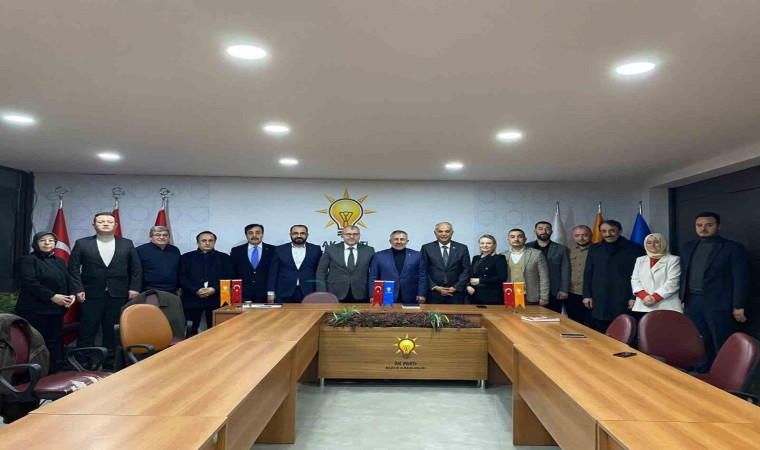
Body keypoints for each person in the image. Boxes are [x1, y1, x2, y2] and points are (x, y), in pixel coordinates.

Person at [680, 212, 749, 371]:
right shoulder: (688, 247)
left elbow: (740, 278)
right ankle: (703, 372)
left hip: (719, 303)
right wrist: (683, 298)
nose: (703, 228)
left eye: (709, 225)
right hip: (692, 302)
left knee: (721, 340)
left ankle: (726, 374)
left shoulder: (733, 248)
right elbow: (684, 274)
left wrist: (738, 305)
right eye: (699, 225)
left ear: (718, 226)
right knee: (699, 340)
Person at [69, 212, 142, 353]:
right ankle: (83, 361)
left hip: (118, 293)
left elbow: (136, 268)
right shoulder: (82, 243)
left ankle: (110, 361)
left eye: (109, 222)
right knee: (87, 329)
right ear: (94, 225)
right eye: (101, 221)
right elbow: (73, 268)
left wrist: (134, 288)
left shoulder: (127, 243)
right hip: (90, 294)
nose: (105, 224)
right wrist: (78, 289)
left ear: (115, 225)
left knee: (113, 330)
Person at [16, 232, 75, 373]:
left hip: (55, 310)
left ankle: (53, 373)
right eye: (43, 240)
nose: (47, 243)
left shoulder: (59, 260)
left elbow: (66, 280)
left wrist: (71, 294)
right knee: (36, 343)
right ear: (36, 243)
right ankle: (34, 375)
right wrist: (52, 296)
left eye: (51, 240)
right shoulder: (28, 260)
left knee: (55, 342)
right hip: (34, 310)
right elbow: (30, 282)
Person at [583, 220, 645, 332]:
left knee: (624, 330)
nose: (608, 234)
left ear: (620, 231)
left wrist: (634, 297)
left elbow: (641, 275)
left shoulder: (635, 248)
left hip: (623, 297)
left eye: (612, 231)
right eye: (604, 231)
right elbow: (588, 273)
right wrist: (587, 295)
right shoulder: (594, 248)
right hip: (599, 297)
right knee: (599, 331)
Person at [179, 231, 233, 336]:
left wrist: (214, 289)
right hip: (192, 299)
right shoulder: (186, 257)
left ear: (214, 242)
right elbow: (181, 278)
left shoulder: (224, 258)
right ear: (197, 242)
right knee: (191, 330)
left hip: (216, 299)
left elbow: (229, 277)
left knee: (217, 330)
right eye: (204, 240)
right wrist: (196, 290)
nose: (207, 243)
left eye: (210, 240)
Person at [316, 225, 375, 302]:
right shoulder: (331, 249)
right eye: (348, 234)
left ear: (359, 236)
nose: (352, 237)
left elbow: (374, 273)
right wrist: (322, 293)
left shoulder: (369, 250)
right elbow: (321, 272)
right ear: (342, 235)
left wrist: (373, 294)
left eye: (355, 234)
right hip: (335, 293)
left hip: (362, 293)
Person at [630, 233, 682, 319]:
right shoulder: (640, 260)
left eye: (656, 242)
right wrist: (644, 296)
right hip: (643, 305)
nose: (652, 245)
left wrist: (654, 298)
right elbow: (635, 280)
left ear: (663, 243)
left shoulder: (673, 260)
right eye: (649, 242)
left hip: (666, 306)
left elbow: (673, 283)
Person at [369, 230, 427, 304]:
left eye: (402, 239)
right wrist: (373, 295)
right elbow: (373, 276)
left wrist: (421, 294)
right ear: (390, 241)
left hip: (411, 295)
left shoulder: (417, 255)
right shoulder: (379, 256)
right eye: (396, 239)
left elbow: (422, 276)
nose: (399, 242)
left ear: (407, 241)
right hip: (386, 295)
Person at [267, 225, 323, 303]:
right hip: (284, 291)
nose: (299, 236)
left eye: (302, 233)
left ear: (307, 235)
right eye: (295, 233)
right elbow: (273, 272)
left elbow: (320, 272)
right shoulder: (280, 249)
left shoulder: (315, 249)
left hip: (309, 291)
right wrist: (270, 292)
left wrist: (321, 291)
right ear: (290, 234)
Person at [420, 222, 471, 304]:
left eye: (447, 231)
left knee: (457, 313)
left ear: (452, 233)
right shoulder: (426, 248)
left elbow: (466, 269)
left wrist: (456, 287)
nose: (444, 234)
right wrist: (435, 287)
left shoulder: (462, 248)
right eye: (440, 231)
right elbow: (423, 270)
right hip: (433, 293)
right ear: (435, 233)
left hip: (456, 293)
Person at [526, 221, 570, 313]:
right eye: (540, 229)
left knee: (553, 318)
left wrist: (564, 289)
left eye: (547, 229)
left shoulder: (561, 248)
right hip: (531, 290)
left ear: (551, 231)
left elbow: (565, 270)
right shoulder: (527, 247)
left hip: (554, 291)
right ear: (535, 231)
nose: (544, 231)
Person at [500, 229, 549, 306]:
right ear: (508, 240)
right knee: (510, 314)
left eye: (520, 237)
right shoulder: (502, 255)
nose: (516, 239)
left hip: (529, 295)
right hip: (509, 294)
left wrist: (544, 297)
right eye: (512, 237)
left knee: (529, 314)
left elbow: (544, 277)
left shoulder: (536, 254)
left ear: (525, 239)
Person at [230, 224, 275, 302]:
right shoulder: (236, 251)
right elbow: (232, 272)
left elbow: (275, 272)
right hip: (243, 294)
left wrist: (271, 292)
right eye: (250, 233)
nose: (254, 235)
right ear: (246, 235)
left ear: (262, 234)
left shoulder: (273, 250)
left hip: (266, 294)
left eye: (258, 233)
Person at [135, 226, 181, 293]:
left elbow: (179, 270)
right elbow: (135, 271)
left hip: (172, 290)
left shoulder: (175, 250)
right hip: (149, 290)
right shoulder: (140, 250)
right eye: (158, 235)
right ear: (151, 237)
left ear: (169, 237)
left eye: (165, 235)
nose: (162, 237)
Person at [466, 235, 508, 305]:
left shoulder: (499, 258)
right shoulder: (476, 258)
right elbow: (471, 275)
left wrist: (481, 280)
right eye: (482, 243)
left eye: (488, 243)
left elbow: (502, 277)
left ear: (494, 245)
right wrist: (468, 286)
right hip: (474, 295)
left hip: (491, 296)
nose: (485, 245)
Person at [567, 225, 592, 325]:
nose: (581, 238)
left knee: (590, 323)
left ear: (591, 235)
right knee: (573, 322)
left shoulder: (597, 250)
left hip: (591, 293)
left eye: (585, 235)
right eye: (577, 235)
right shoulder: (568, 250)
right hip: (571, 292)